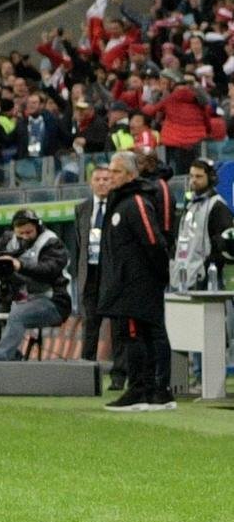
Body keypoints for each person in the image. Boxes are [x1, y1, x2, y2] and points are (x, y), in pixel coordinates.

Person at [99, 151, 174, 411]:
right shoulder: (120, 202)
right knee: (140, 334)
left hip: (137, 283)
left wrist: (158, 275)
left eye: (116, 171)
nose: (110, 176)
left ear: (131, 175)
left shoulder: (136, 202)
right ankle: (154, 392)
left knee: (137, 335)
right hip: (127, 282)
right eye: (110, 170)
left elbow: (154, 242)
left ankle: (142, 389)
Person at [0, 210, 71, 361]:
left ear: (37, 227)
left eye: (29, 232)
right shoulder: (9, 239)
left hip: (54, 302)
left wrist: (19, 265)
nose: (25, 236)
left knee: (18, 314)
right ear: (14, 230)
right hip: (21, 300)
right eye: (21, 233)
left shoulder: (52, 243)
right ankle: (16, 361)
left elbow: (47, 270)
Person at [74, 164, 126, 390]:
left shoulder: (120, 206)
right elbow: (79, 243)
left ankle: (118, 376)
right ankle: (86, 373)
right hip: (91, 274)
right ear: (91, 182)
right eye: (98, 179)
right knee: (90, 325)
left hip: (113, 275)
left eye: (107, 179)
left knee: (117, 327)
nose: (103, 182)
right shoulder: (82, 209)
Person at [170, 159, 233, 291]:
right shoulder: (190, 204)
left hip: (207, 278)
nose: (193, 180)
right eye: (191, 176)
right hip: (183, 277)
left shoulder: (218, 206)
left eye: (199, 176)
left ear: (210, 178)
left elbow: (225, 245)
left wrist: (208, 266)